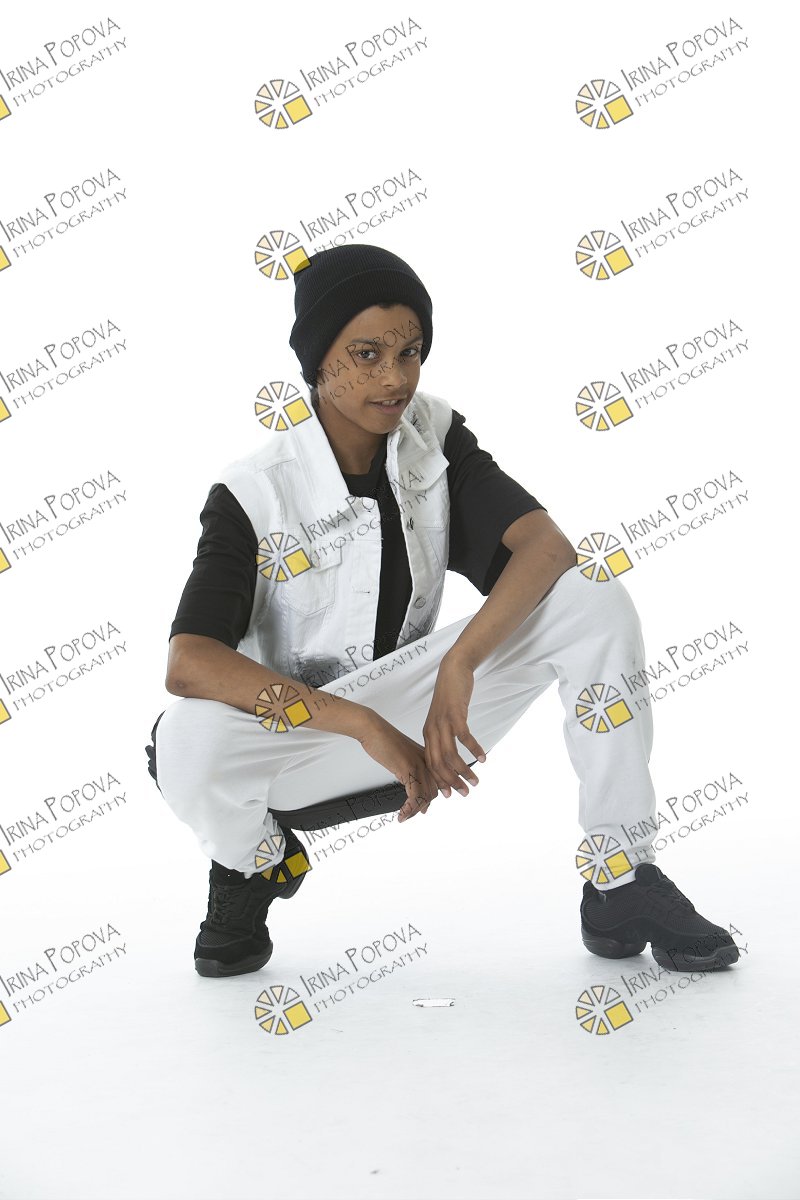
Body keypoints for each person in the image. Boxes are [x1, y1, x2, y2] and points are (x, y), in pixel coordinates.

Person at [145, 244, 739, 979]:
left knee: (593, 595)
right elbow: (189, 663)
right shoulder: (253, 491)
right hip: (299, 740)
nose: (394, 378)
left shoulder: (433, 435)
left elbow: (546, 548)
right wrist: (362, 724)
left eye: (410, 352)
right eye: (366, 355)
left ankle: (621, 880)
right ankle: (253, 863)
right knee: (184, 739)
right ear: (317, 361)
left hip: (426, 711)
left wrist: (460, 662)